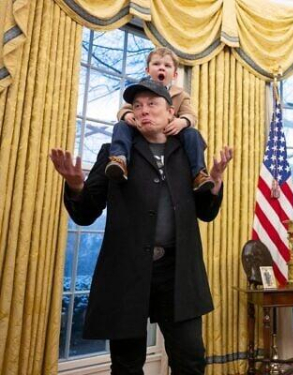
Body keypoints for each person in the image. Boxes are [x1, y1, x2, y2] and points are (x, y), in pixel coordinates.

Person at [50, 78, 233, 374]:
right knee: (126, 364)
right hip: (127, 272)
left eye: (152, 104)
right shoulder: (114, 153)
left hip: (178, 273)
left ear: (171, 112)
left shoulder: (188, 153)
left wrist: (216, 181)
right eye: (137, 105)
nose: (143, 110)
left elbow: (206, 213)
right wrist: (75, 184)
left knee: (190, 358)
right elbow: (86, 213)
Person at [106, 47, 213, 192]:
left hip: (171, 131)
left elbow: (191, 115)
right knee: (121, 126)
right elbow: (124, 110)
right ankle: (119, 160)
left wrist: (182, 121)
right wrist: (127, 115)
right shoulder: (140, 92)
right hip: (144, 130)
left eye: (167, 66)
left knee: (192, 134)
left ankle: (199, 173)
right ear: (147, 70)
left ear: (174, 74)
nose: (161, 68)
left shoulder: (181, 94)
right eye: (156, 64)